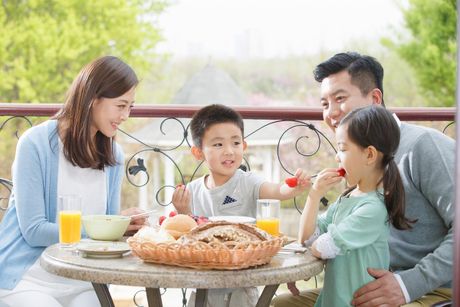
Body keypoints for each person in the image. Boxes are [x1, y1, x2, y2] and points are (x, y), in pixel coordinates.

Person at [272, 52, 454, 306]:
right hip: (360, 286)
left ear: (375, 99)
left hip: (428, 291)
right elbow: (329, 229)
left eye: (340, 98)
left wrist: (407, 285)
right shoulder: (355, 159)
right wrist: (298, 259)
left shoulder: (424, 146)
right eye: (324, 104)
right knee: (282, 304)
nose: (331, 113)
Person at [0, 55, 148, 307]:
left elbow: (108, 237)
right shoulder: (35, 144)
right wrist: (102, 229)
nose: (126, 116)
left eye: (130, 107)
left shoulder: (113, 155)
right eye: (121, 105)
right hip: (27, 277)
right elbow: (34, 231)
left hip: (82, 278)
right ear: (93, 99)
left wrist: (122, 226)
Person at [171, 104, 312, 307]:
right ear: (198, 152)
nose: (229, 151)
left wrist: (294, 188)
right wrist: (182, 212)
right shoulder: (191, 191)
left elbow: (276, 191)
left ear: (244, 146)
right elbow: (188, 238)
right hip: (201, 289)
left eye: (235, 143)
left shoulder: (248, 182)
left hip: (242, 289)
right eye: (218, 145)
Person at [299, 105, 413, 306]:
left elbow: (324, 246)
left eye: (342, 149)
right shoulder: (348, 198)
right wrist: (314, 195)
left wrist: (317, 245)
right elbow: (308, 239)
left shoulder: (373, 209)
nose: (337, 156)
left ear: (369, 155)